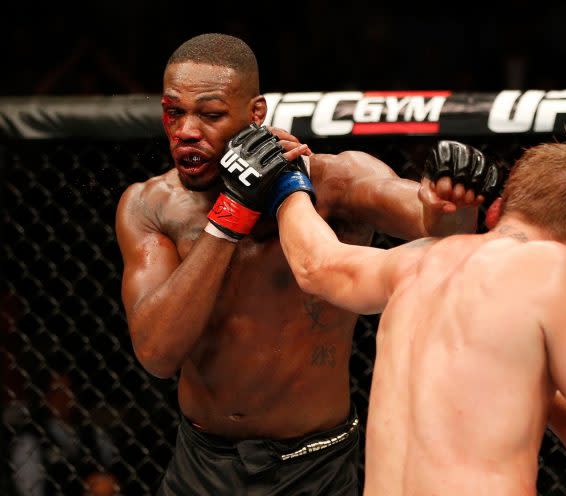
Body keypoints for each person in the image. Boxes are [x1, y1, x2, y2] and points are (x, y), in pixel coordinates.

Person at [114, 33, 497, 496]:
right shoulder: (150, 205)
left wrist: (451, 197)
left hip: (314, 468)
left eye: (210, 114)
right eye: (174, 112)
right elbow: (157, 354)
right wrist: (231, 212)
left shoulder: (334, 182)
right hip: (202, 465)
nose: (186, 130)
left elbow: (436, 223)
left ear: (256, 114)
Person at [276, 138, 566, 495]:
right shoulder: (554, 269)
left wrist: (285, 178)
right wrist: (546, 390)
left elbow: (316, 263)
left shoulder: (416, 260)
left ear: (494, 212)